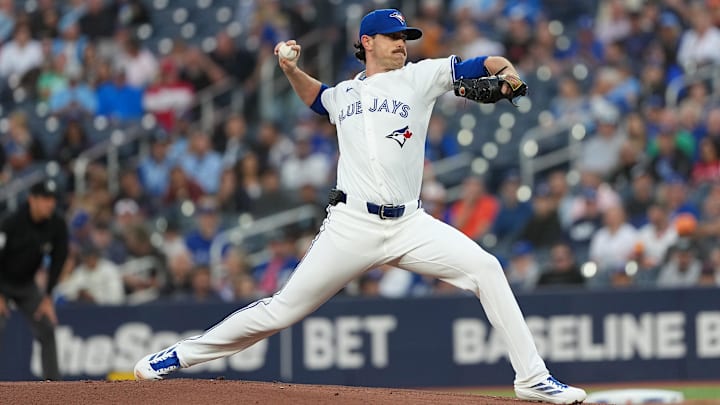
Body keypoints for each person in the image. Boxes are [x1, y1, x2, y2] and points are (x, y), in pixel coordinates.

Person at [134, 9, 586, 404]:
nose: (401, 45)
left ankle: (532, 378)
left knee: (486, 269)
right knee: (281, 310)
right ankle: (180, 354)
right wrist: (291, 68)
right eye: (393, 38)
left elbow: (482, 63)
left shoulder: (419, 77)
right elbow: (317, 97)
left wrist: (507, 72)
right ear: (367, 42)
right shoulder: (345, 95)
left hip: (410, 223)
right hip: (351, 224)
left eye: (405, 39)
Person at [0, 180, 68, 380]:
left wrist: (48, 297)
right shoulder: (11, 222)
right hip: (2, 281)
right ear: (32, 200)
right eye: (45, 199)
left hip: (27, 285)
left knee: (47, 327)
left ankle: (54, 387)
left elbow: (59, 259)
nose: (50, 204)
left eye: (53, 199)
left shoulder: (56, 224)